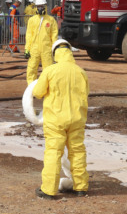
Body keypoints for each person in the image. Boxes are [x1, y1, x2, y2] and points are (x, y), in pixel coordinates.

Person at [33, 39, 89, 199]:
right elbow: (86, 93)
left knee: (53, 152)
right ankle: (81, 187)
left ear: (55, 54)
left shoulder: (50, 71)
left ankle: (49, 190)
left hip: (55, 120)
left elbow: (37, 92)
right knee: (77, 151)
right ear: (70, 52)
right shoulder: (81, 72)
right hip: (77, 119)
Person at [25, 0, 59, 83]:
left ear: (45, 6)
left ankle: (48, 87)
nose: (40, 8)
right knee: (31, 68)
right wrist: (27, 49)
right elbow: (29, 35)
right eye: (38, 6)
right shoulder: (32, 20)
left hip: (47, 48)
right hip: (34, 48)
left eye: (41, 6)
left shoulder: (51, 20)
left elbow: (54, 36)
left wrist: (54, 49)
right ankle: (31, 87)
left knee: (48, 69)